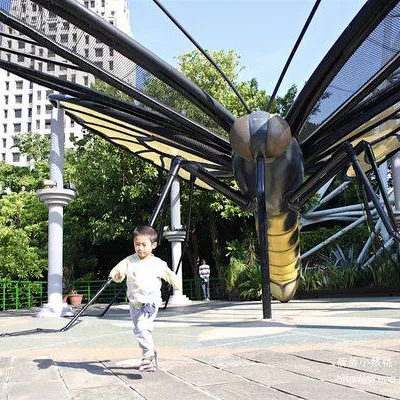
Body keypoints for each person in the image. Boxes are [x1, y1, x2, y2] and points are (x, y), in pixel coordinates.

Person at [109, 225, 180, 372]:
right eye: (137, 244)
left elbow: (169, 275)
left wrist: (176, 283)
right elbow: (118, 271)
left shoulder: (157, 263)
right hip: (135, 303)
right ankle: (151, 352)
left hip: (150, 302)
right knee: (140, 329)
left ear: (153, 245)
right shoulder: (129, 261)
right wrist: (117, 275)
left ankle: (147, 357)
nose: (140, 248)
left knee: (142, 327)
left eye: (144, 245)